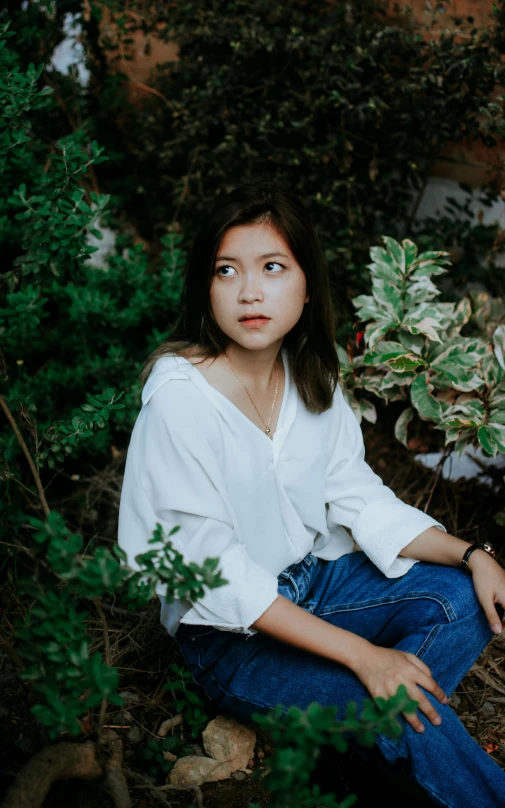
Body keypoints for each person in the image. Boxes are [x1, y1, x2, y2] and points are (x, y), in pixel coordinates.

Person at [117, 180, 505, 807]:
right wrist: (364, 658)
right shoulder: (179, 401)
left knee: (465, 600)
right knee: (398, 707)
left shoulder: (307, 379)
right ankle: (371, 727)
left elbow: (359, 498)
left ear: (304, 281)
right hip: (229, 637)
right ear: (205, 287)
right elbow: (215, 575)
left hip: (316, 585)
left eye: (272, 267)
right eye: (227, 270)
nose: (250, 291)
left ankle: (348, 735)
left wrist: (472, 554)